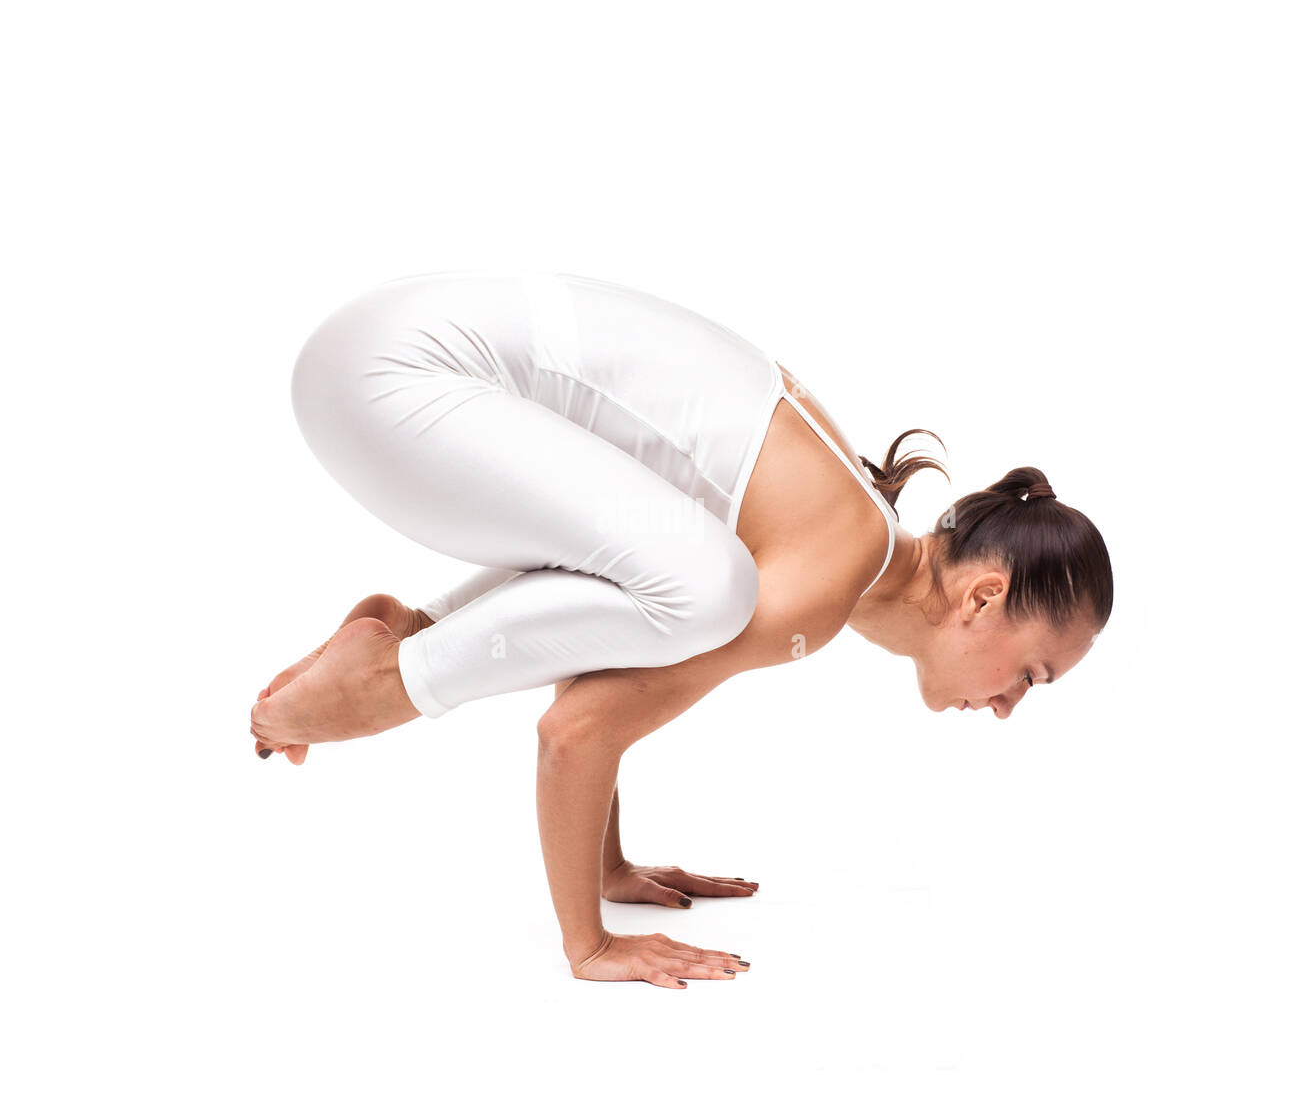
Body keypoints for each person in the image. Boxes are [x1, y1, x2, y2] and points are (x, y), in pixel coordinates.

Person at [251, 271, 1112, 988]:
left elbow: (599, 649)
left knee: (690, 581)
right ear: (982, 598)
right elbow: (577, 730)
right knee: (711, 590)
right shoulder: (822, 580)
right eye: (1032, 674)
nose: (1007, 706)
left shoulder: (843, 526)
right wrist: (589, 944)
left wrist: (607, 863)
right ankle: (391, 677)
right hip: (394, 379)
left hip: (379, 360)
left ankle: (411, 630)